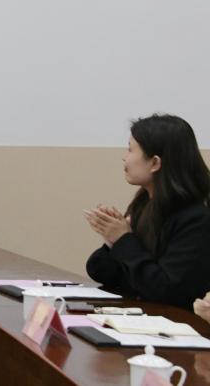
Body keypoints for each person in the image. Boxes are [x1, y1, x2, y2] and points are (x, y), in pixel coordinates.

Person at [85, 114, 210, 309]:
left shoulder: (196, 220)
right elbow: (100, 271)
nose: (124, 157)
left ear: (155, 163)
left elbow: (167, 290)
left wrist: (123, 239)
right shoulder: (143, 205)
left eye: (130, 149)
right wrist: (112, 241)